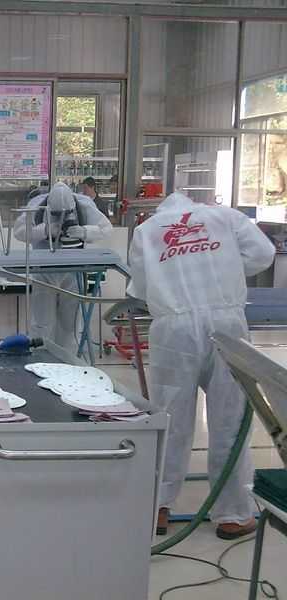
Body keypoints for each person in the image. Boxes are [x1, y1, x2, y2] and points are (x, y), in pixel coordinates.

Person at [127, 192, 275, 540]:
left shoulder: (147, 230)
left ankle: (158, 506)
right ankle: (233, 514)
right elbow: (263, 254)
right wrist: (224, 267)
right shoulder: (225, 217)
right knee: (230, 418)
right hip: (227, 324)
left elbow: (142, 287)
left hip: (173, 327)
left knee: (169, 416)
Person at [13, 182, 111, 355]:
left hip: (74, 270)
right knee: (42, 321)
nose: (62, 218)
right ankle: (40, 359)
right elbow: (19, 232)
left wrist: (84, 231)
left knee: (70, 323)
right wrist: (44, 231)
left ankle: (67, 360)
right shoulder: (37, 205)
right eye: (57, 214)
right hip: (44, 269)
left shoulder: (84, 204)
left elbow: (106, 228)